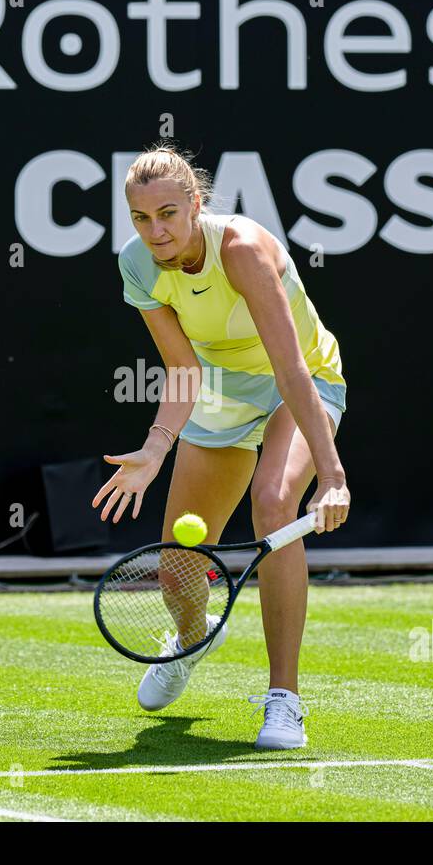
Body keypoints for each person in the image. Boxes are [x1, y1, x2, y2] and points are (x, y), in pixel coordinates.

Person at [92, 142, 350, 750]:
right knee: (178, 565)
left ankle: (283, 700)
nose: (155, 231)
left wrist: (332, 476)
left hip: (302, 383)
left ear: (195, 205)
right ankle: (189, 637)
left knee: (273, 503)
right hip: (221, 394)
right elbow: (181, 367)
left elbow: (291, 369)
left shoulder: (242, 250)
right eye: (141, 218)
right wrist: (156, 450)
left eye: (167, 215)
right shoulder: (138, 264)